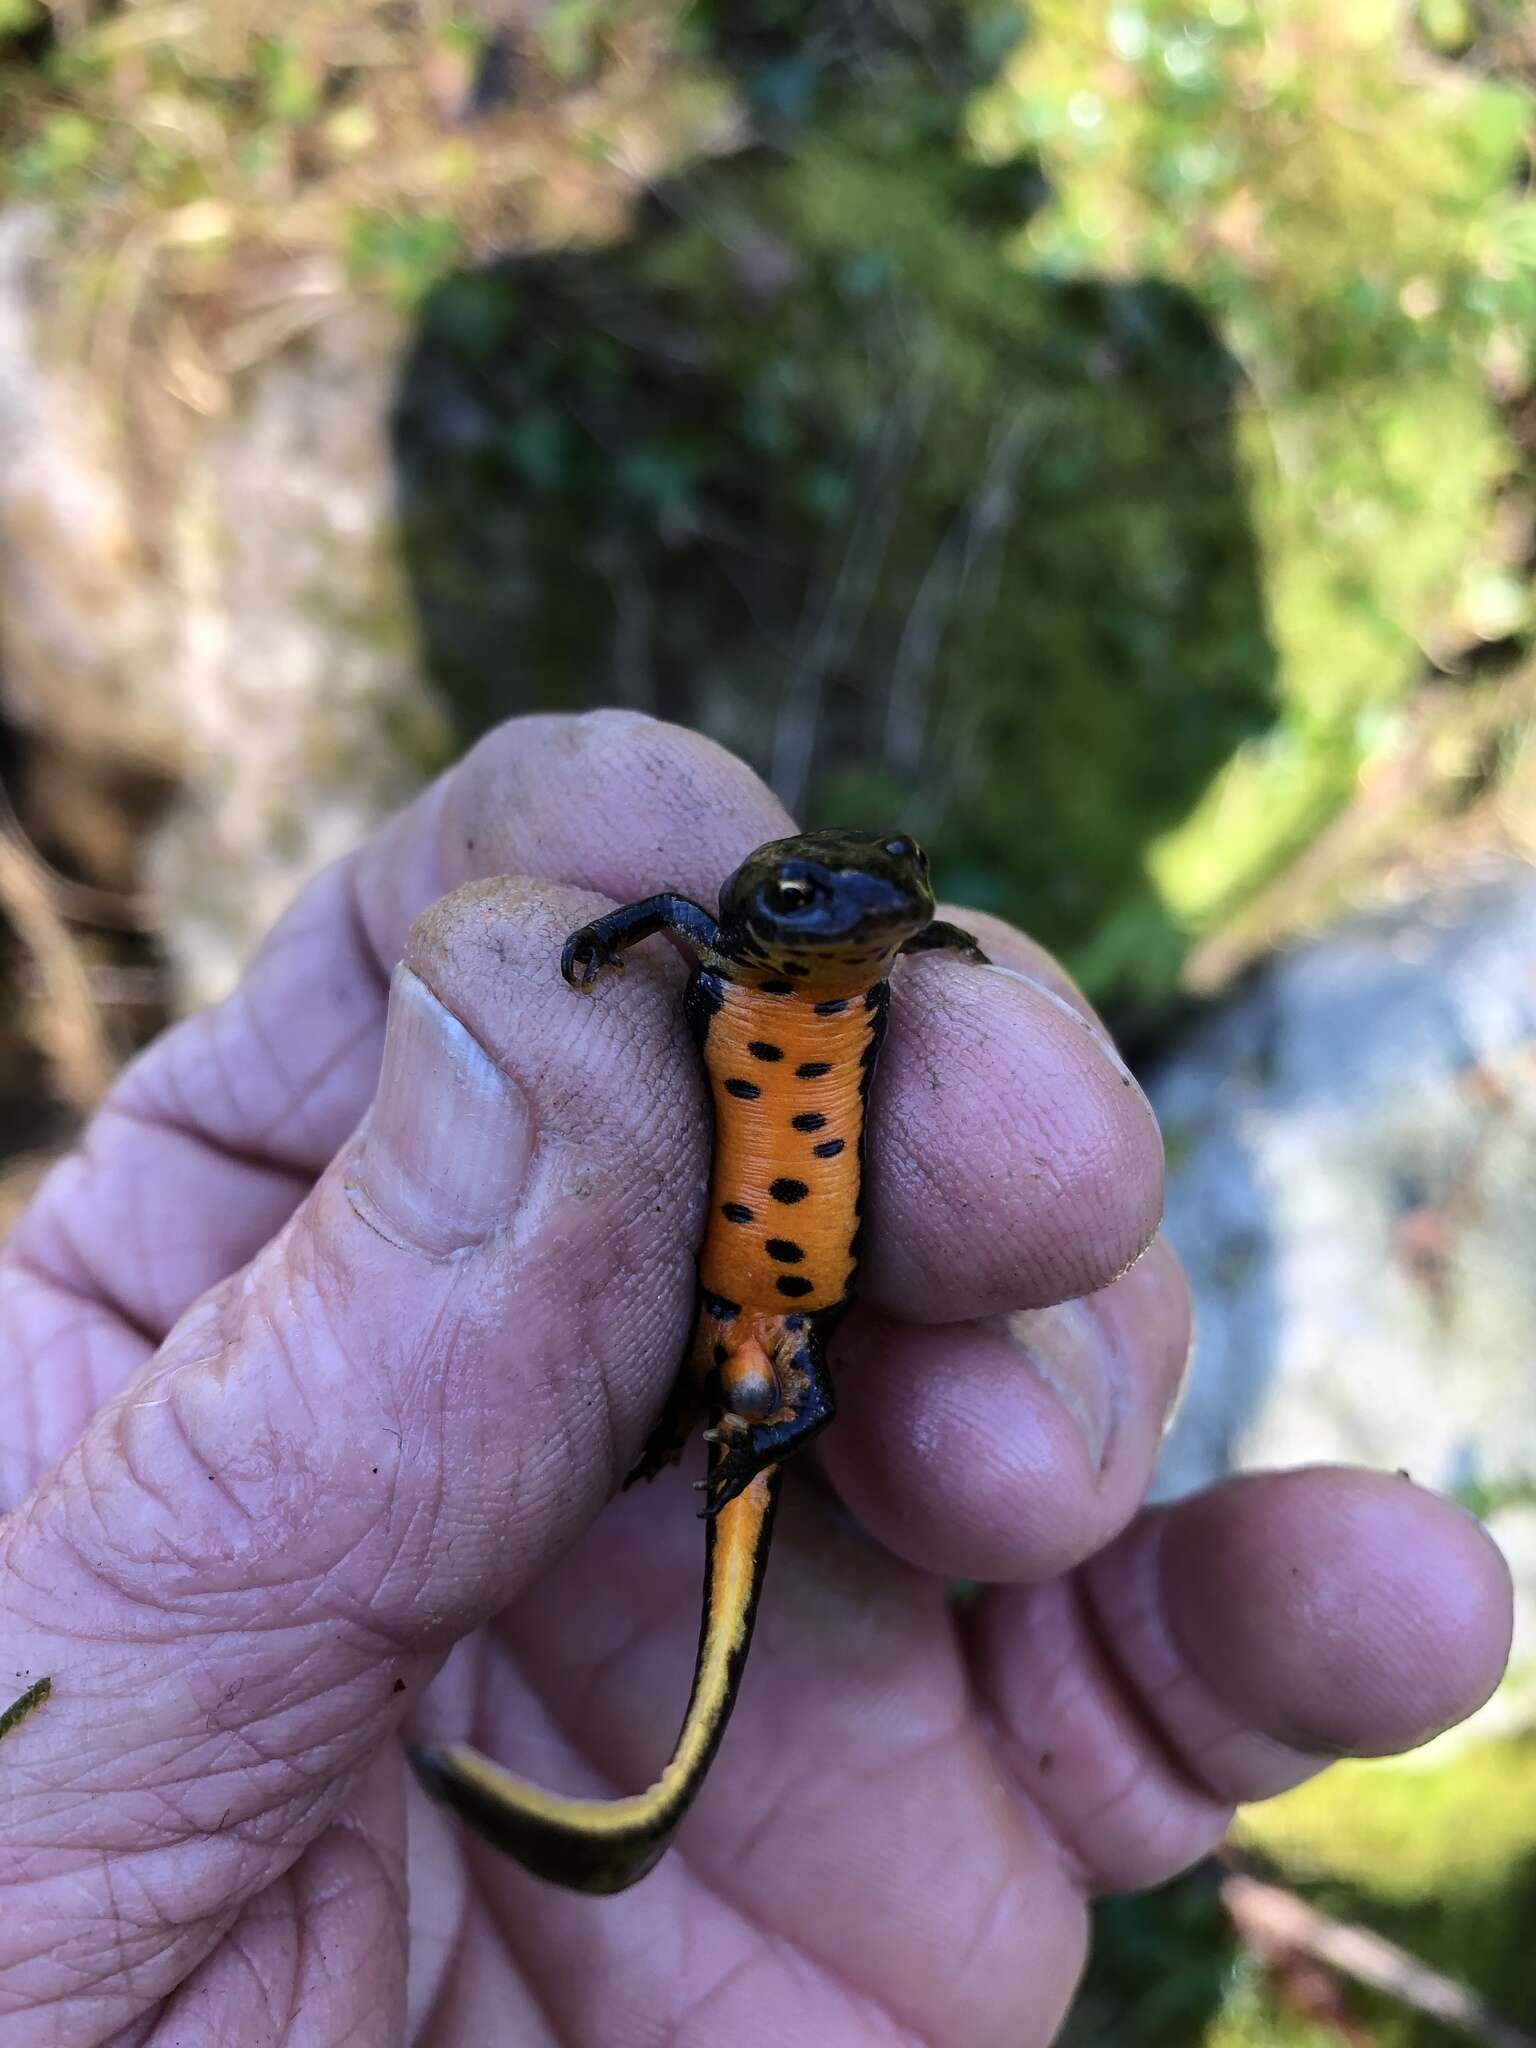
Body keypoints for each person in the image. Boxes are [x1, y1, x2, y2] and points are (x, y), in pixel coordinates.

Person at [0, 712, 1511, 2047]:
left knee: (892, 1337)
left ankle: (723, 1514)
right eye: (802, 897)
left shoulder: (872, 975)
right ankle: (719, 1482)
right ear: (749, 915)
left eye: (891, 898)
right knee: (818, 1381)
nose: (856, 914)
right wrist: (603, 945)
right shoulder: (721, 950)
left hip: (782, 1334)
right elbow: (664, 903)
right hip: (740, 1320)